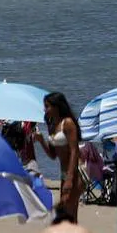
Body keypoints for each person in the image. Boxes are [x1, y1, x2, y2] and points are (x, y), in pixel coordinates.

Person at [35, 92, 82, 221]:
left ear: (57, 106)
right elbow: (53, 155)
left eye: (47, 106)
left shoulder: (67, 123)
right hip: (63, 174)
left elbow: (74, 151)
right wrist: (41, 141)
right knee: (67, 214)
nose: (45, 109)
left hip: (75, 173)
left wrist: (70, 178)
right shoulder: (52, 125)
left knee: (68, 213)